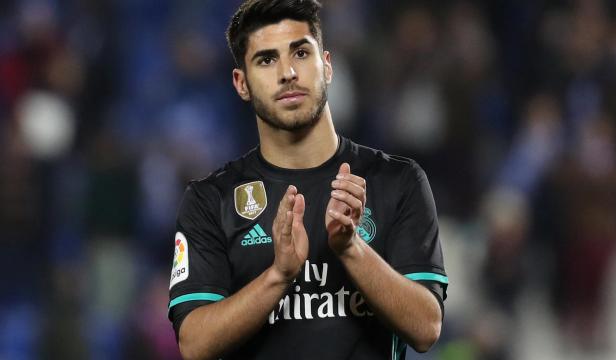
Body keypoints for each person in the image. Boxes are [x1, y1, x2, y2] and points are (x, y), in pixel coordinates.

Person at [167, 1, 448, 359]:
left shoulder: (398, 180)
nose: (287, 72)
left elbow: (426, 328)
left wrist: (351, 249)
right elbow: (194, 343)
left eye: (300, 52)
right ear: (242, 83)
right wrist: (279, 275)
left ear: (326, 66)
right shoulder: (211, 199)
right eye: (266, 60)